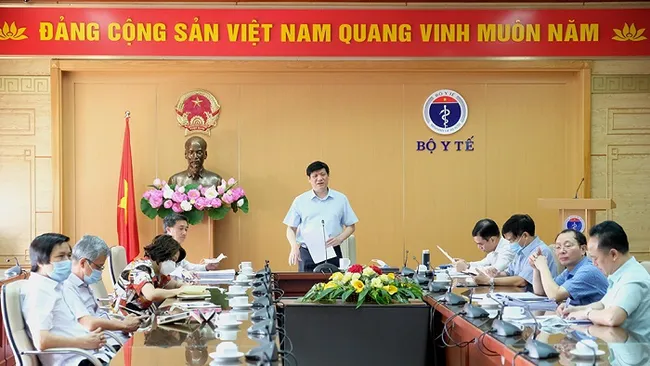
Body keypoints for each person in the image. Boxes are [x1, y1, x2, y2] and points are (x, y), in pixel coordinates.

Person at [22, 233, 113, 366]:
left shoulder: (57, 285)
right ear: (40, 261)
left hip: (89, 355)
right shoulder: (38, 291)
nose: (67, 261)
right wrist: (84, 341)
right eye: (60, 256)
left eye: (69, 256)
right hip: (75, 360)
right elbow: (42, 341)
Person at [561, 221, 650, 338]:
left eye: (595, 258)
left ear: (613, 254)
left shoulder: (633, 279)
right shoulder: (620, 273)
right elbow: (603, 305)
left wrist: (586, 313)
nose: (594, 264)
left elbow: (612, 317)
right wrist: (573, 310)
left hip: (634, 349)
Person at [63, 235, 143, 342]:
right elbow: (89, 323)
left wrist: (124, 322)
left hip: (112, 336)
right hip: (104, 343)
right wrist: (123, 325)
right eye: (99, 266)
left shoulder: (84, 283)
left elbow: (99, 315)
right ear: (83, 263)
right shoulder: (68, 287)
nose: (100, 271)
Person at [283, 161, 359, 272]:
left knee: (334, 287)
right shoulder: (300, 201)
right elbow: (291, 228)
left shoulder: (340, 199)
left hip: (332, 251)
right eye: (315, 176)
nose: (320, 178)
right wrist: (294, 246)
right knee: (306, 287)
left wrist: (339, 239)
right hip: (307, 253)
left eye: (323, 174)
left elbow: (351, 226)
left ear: (328, 176)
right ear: (309, 179)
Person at [474, 214, 558, 288]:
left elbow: (522, 281)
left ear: (525, 235)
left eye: (511, 240)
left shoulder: (541, 251)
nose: (510, 244)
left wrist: (490, 281)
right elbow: (510, 273)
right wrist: (496, 274)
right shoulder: (521, 250)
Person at [529, 229, 608, 305]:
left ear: (583, 249)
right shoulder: (569, 271)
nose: (562, 251)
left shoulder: (588, 270)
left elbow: (554, 296)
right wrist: (536, 268)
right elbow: (541, 292)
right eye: (558, 247)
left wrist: (543, 266)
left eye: (567, 246)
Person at [112, 235, 186, 315]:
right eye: (172, 260)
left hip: (143, 315)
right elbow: (151, 294)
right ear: (163, 253)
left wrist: (186, 287)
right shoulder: (140, 268)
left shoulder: (158, 271)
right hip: (126, 319)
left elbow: (174, 285)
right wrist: (178, 291)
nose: (173, 264)